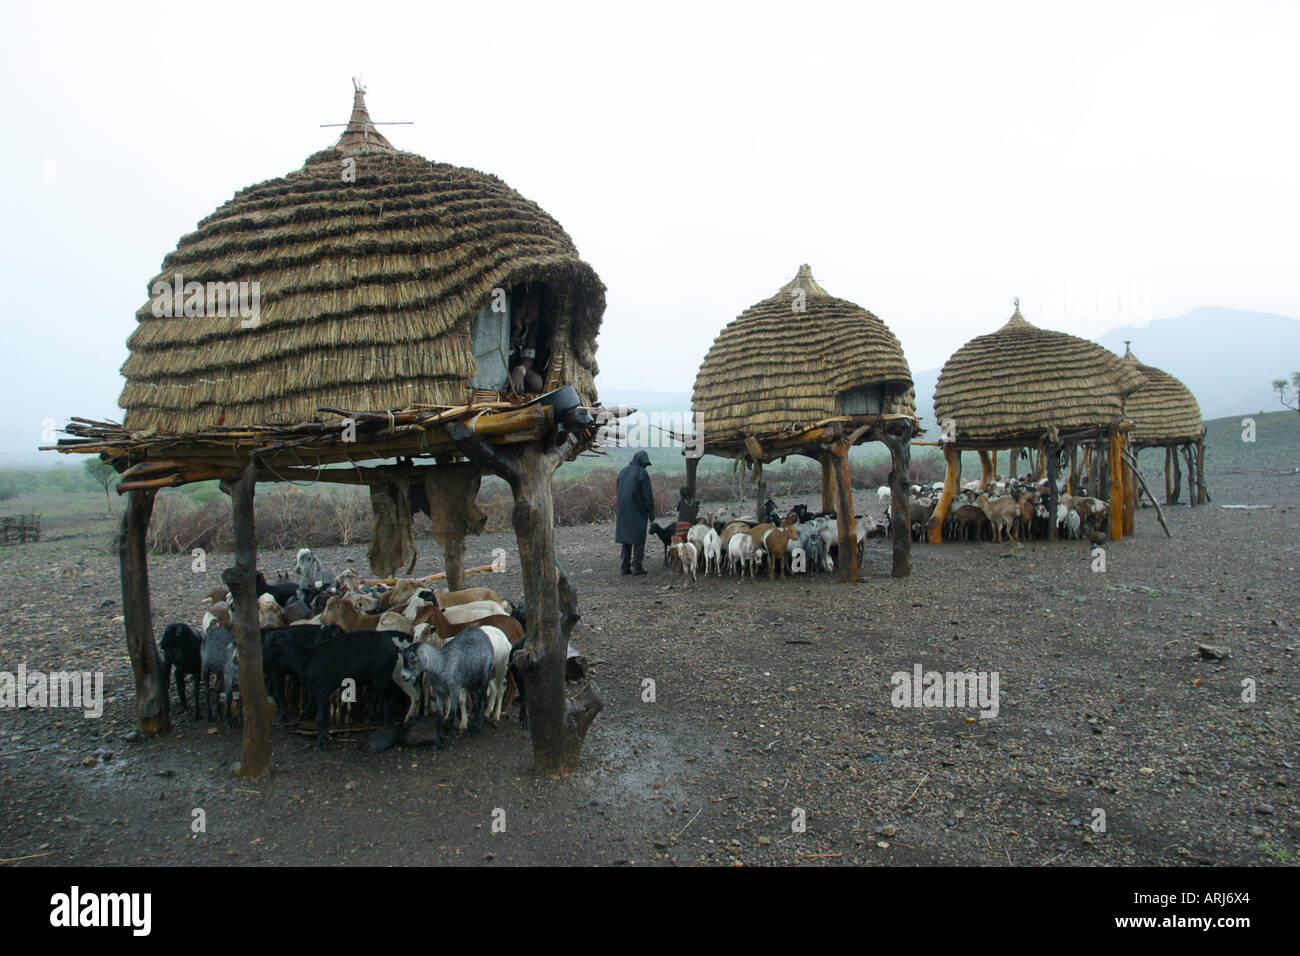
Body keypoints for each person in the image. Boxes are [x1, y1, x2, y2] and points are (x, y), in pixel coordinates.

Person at [616, 450, 655, 575]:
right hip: (638, 510)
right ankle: (637, 567)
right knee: (639, 539)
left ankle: (625, 566)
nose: (645, 466)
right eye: (644, 463)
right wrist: (651, 512)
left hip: (623, 511)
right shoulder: (641, 473)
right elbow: (647, 495)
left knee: (626, 538)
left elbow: (618, 490)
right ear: (641, 462)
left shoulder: (623, 471)